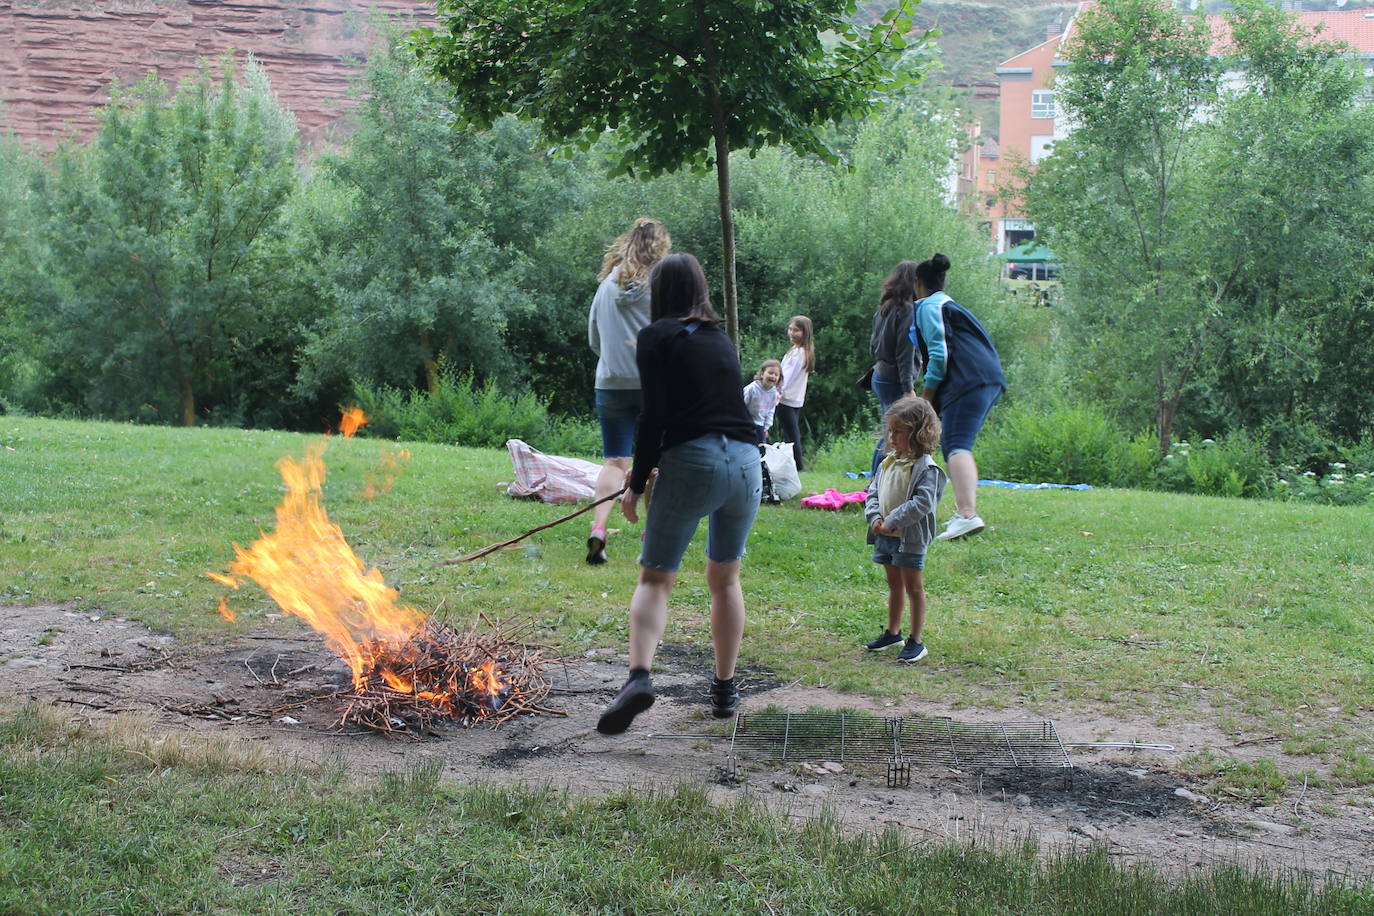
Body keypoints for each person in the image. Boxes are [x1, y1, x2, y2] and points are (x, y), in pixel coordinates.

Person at [596, 254, 763, 736]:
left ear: (660, 293)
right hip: (747, 463)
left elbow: (652, 416)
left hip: (694, 461)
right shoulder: (720, 339)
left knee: (655, 579)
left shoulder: (656, 336)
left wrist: (636, 478)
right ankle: (725, 690)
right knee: (725, 578)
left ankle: (639, 678)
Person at [586, 217, 671, 565]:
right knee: (655, 461)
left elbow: (594, 338)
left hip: (610, 381)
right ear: (660, 247)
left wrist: (612, 359)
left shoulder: (606, 284)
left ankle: (599, 528)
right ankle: (653, 536)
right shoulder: (661, 286)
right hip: (652, 384)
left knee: (614, 460)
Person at [909, 253, 1005, 541]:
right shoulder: (950, 305)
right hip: (987, 378)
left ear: (918, 283)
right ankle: (965, 513)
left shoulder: (928, 306)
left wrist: (927, 396)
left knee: (956, 444)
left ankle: (966, 515)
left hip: (969, 379)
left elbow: (939, 354)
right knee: (955, 443)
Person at [863, 397, 948, 663]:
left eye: (898, 431)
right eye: (890, 430)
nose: (891, 436)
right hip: (886, 536)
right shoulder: (888, 461)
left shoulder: (927, 468)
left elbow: (923, 503)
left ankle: (916, 640)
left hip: (909, 539)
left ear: (918, 432)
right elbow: (873, 492)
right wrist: (875, 517)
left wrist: (893, 521)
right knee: (894, 585)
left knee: (914, 588)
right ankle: (893, 632)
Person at [868, 262, 920, 476]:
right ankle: (876, 482)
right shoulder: (907, 310)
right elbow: (905, 351)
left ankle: (877, 479)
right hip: (894, 380)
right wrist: (908, 387)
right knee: (893, 434)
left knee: (889, 431)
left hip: (879, 374)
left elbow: (872, 347)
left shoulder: (884, 308)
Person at [776, 316, 814, 472]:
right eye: (790, 329)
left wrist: (776, 393)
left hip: (785, 399)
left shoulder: (799, 353)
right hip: (793, 399)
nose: (792, 333)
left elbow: (787, 378)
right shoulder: (797, 350)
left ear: (805, 333)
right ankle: (793, 465)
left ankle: (798, 467)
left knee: (791, 435)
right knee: (791, 433)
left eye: (796, 330)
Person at [741, 358, 783, 444]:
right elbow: (741, 404)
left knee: (761, 448)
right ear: (762, 374)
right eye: (770, 373)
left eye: (776, 375)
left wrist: (766, 427)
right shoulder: (752, 389)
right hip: (746, 422)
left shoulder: (774, 394)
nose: (773, 376)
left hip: (760, 424)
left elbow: (771, 411)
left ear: (779, 378)